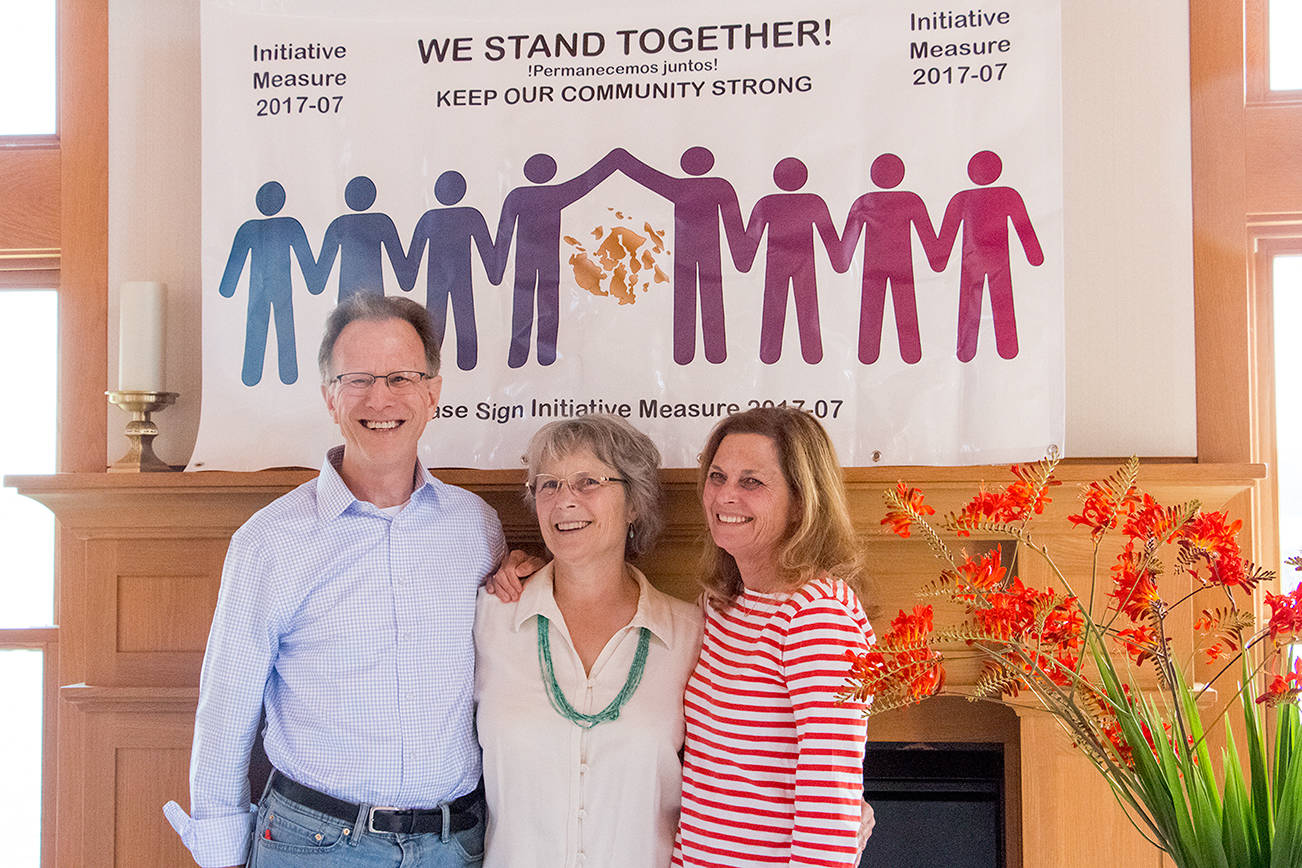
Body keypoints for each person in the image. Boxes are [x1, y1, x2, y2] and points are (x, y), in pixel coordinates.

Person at [164, 294, 507, 868]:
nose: (381, 399)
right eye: (358, 380)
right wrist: (221, 854)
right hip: (313, 845)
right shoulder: (269, 541)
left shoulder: (477, 528)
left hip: (456, 844)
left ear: (432, 393)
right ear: (329, 398)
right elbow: (226, 711)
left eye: (402, 377)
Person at [475, 415, 703, 868]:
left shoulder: (690, 633)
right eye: (549, 485)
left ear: (634, 502)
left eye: (587, 482)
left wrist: (837, 805)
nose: (565, 501)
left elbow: (743, 761)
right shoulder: (488, 617)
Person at [672, 406, 875, 868]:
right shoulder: (725, 604)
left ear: (803, 501)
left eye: (752, 482)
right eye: (717, 476)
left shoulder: (817, 617)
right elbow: (706, 784)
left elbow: (830, 810)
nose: (724, 496)